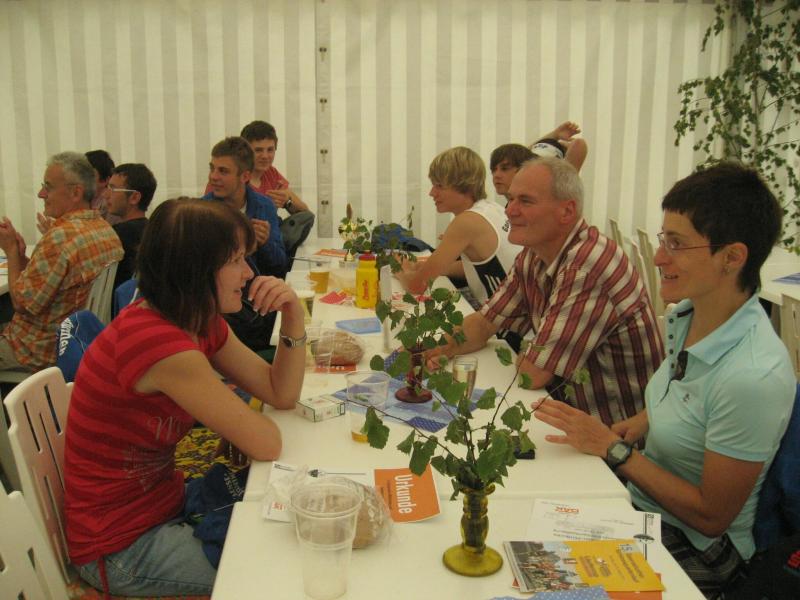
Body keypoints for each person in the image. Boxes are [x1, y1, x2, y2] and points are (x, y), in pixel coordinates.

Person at [533, 162, 795, 597]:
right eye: (663, 239)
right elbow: (689, 394)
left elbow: (711, 517)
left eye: (677, 244)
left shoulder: (753, 374)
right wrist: (642, 421)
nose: (658, 257)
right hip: (646, 509)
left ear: (732, 257)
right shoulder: (687, 317)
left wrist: (613, 449)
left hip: (700, 549)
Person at [64, 198, 306, 596]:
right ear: (195, 270)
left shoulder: (193, 319)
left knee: (289, 532)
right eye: (236, 260)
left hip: (162, 503)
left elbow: (281, 393)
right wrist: (241, 425)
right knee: (283, 569)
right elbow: (267, 442)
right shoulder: (161, 344)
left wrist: (293, 314)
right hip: (120, 546)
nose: (248, 272)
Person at [429, 157, 663, 426]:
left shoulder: (587, 266)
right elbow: (484, 323)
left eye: (525, 201)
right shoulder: (534, 254)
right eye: (511, 199)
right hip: (567, 413)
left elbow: (533, 374)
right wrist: (434, 348)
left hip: (611, 435)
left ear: (567, 211)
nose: (510, 211)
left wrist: (529, 353)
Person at [0, 151, 123, 371]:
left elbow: (22, 303)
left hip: (37, 349)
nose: (41, 194)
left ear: (76, 192)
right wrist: (20, 256)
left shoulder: (61, 237)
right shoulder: (105, 230)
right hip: (79, 338)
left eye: (48, 187)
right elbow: (54, 281)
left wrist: (10, 252)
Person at [396, 146, 521, 305]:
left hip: (505, 317)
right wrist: (436, 267)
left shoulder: (467, 222)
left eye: (439, 186)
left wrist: (399, 268)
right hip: (516, 309)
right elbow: (479, 267)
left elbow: (416, 286)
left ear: (464, 186)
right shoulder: (491, 208)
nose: (432, 193)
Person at [202, 136, 287, 278]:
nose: (213, 177)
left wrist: (265, 243)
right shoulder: (202, 212)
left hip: (256, 289)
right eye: (212, 169)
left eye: (223, 171)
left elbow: (280, 266)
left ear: (245, 176)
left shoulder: (265, 206)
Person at [491, 122, 588, 205]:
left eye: (504, 169)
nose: (496, 175)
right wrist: (554, 134)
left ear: (522, 170)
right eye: (494, 170)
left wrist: (566, 143)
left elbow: (580, 145)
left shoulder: (551, 193)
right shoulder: (513, 203)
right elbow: (522, 155)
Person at [240, 119, 311, 215]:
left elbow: (306, 213)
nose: (265, 156)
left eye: (270, 150)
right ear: (245, 151)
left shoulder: (271, 173)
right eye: (258, 150)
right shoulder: (235, 177)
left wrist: (287, 201)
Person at [105, 162, 157, 290]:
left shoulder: (118, 235)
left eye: (113, 189)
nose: (105, 195)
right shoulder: (153, 230)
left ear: (134, 197)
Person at [85, 149, 117, 222]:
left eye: (88, 175)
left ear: (105, 180)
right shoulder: (83, 200)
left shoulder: (111, 205)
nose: (81, 179)